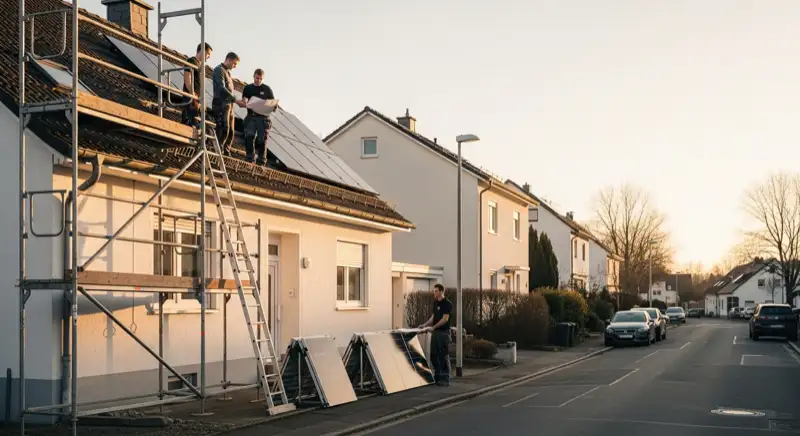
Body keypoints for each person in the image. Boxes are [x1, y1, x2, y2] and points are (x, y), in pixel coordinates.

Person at [417, 284, 452, 386]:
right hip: (436, 332)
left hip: (443, 333)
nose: (434, 293)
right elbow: (434, 317)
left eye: (436, 291)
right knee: (434, 355)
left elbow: (445, 319)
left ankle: (445, 379)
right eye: (434, 291)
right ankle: (438, 377)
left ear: (441, 291)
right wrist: (425, 325)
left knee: (443, 355)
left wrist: (434, 327)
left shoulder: (447, 304)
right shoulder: (436, 303)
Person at [212, 52, 244, 156]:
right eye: (234, 64)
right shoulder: (219, 70)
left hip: (229, 106)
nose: (234, 67)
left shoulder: (228, 73)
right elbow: (221, 88)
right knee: (223, 128)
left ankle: (226, 150)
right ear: (229, 60)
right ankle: (218, 149)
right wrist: (235, 99)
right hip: (220, 104)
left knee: (231, 131)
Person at [241, 69, 275, 165]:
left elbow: (273, 104)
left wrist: (270, 106)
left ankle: (261, 160)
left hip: (263, 118)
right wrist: (245, 102)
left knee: (262, 139)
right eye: (257, 78)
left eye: (260, 79)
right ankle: (249, 158)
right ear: (253, 76)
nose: (258, 80)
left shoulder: (267, 89)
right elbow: (244, 100)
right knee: (249, 136)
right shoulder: (248, 88)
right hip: (251, 116)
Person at [181, 43, 212, 127]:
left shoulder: (201, 65)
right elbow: (188, 80)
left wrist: (201, 100)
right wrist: (195, 98)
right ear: (202, 51)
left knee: (200, 125)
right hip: (191, 99)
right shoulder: (192, 61)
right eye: (208, 54)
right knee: (192, 125)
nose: (209, 57)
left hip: (197, 99)